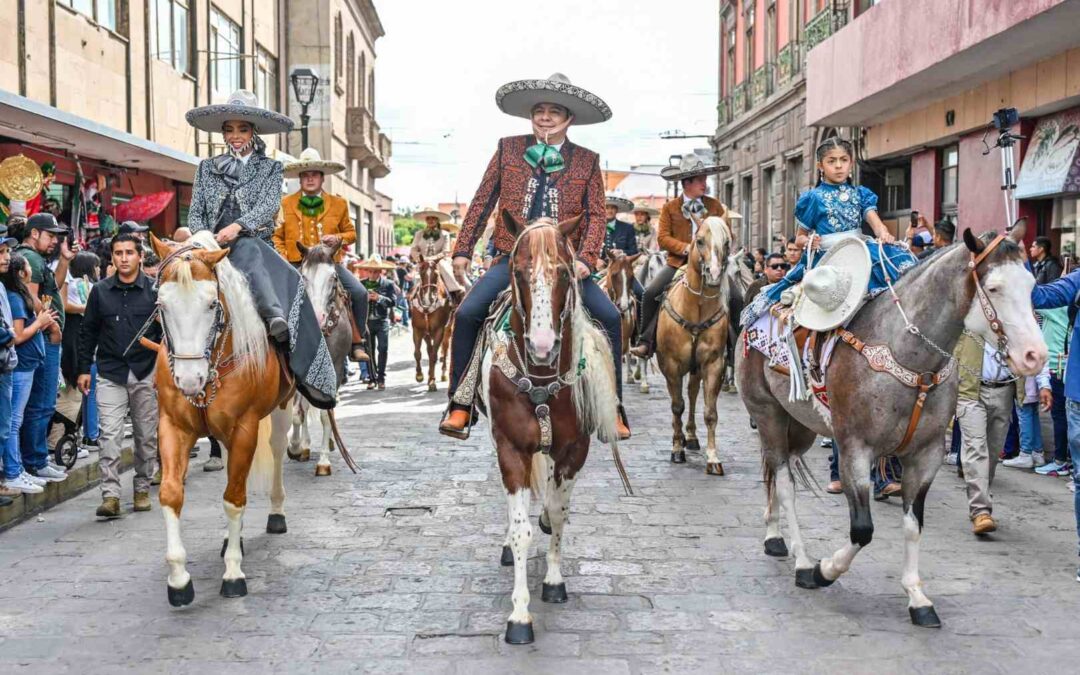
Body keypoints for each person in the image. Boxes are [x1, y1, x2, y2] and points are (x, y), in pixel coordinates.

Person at [438, 73, 630, 440]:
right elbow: (482, 200)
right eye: (539, 110)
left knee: (609, 317)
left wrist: (586, 260)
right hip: (514, 259)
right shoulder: (508, 149)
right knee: (467, 314)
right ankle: (460, 403)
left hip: (564, 265)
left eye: (554, 111)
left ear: (568, 119)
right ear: (531, 115)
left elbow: (594, 215)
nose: (545, 117)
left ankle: (614, 406)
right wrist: (463, 248)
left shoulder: (587, 161)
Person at [184, 89, 337, 409]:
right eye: (229, 129)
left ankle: (285, 332)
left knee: (294, 282)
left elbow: (268, 207)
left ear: (253, 132)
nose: (235, 136)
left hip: (254, 242)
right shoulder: (206, 168)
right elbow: (196, 212)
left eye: (242, 129)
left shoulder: (270, 168)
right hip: (210, 245)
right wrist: (204, 238)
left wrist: (238, 227)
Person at [740, 138, 917, 328]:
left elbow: (876, 223)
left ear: (851, 162)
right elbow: (799, 238)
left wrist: (884, 234)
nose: (839, 166)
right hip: (829, 256)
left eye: (844, 160)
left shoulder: (860, 194)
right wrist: (808, 241)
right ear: (820, 166)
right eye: (832, 161)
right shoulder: (813, 198)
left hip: (860, 250)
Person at [77, 234, 161, 518]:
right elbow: (87, 332)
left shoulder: (155, 291)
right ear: (111, 258)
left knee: (146, 436)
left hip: (146, 371)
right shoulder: (100, 291)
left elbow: (167, 335)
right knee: (109, 435)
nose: (124, 258)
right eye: (118, 253)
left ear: (139, 256)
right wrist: (82, 369)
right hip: (110, 371)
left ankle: (141, 489)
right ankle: (110, 495)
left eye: (129, 252)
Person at [629, 154, 734, 359]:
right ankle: (645, 342)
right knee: (650, 293)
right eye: (700, 180)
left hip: (712, 262)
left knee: (737, 296)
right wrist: (687, 249)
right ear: (687, 182)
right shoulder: (670, 208)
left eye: (705, 179)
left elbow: (727, 235)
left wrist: (722, 242)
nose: (705, 183)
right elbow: (663, 238)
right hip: (678, 262)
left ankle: (735, 347)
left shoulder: (715, 207)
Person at [275, 147, 370, 361]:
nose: (310, 179)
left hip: (329, 264)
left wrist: (338, 239)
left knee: (360, 293)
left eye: (314, 174)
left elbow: (351, 233)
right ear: (300, 178)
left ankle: (357, 342)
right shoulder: (285, 203)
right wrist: (283, 258)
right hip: (296, 265)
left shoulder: (339, 203)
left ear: (322, 178)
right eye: (305, 175)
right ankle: (274, 342)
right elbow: (276, 236)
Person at [15, 213, 72, 484]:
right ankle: (35, 461)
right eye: (50, 235)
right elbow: (31, 297)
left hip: (44, 339)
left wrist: (65, 259)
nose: (54, 241)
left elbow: (55, 287)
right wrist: (51, 327)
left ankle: (35, 460)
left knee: (42, 404)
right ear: (34, 233)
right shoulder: (31, 258)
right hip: (42, 339)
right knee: (41, 404)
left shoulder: (38, 260)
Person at [953, 329, 1020, 535]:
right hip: (971, 391)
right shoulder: (971, 314)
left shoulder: (1014, 317)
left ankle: (980, 498)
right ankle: (980, 510)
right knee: (975, 448)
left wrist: (1042, 384)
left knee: (992, 453)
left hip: (1005, 390)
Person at [2, 254, 56, 494]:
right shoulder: (14, 298)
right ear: (22, 272)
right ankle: (13, 471)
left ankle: (17, 468)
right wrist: (40, 322)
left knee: (16, 420)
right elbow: (18, 335)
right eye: (27, 266)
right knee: (13, 422)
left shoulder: (18, 294)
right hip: (20, 366)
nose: (32, 270)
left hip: (27, 365)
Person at [56, 251, 100, 454]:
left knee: (79, 397)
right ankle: (62, 443)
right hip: (72, 348)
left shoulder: (79, 284)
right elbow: (64, 305)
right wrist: (86, 307)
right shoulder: (72, 283)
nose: (99, 270)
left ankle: (73, 439)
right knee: (73, 396)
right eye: (96, 266)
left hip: (77, 347)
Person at [0, 231, 29, 498]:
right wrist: (8, 335)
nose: (7, 257)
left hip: (5, 365)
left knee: (5, 422)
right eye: (1, 253)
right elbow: (9, 331)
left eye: (7, 252)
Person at [356, 256, 398, 390]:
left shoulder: (388, 284)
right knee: (369, 350)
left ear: (380, 272)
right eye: (371, 271)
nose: (373, 274)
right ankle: (372, 378)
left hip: (382, 321)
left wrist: (379, 298)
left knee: (383, 348)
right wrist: (365, 300)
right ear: (367, 271)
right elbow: (354, 303)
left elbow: (393, 302)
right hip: (367, 322)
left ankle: (381, 378)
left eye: (376, 271)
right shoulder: (361, 284)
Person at [409, 208, 465, 303]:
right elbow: (413, 249)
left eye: (433, 218)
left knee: (444, 267)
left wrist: (432, 259)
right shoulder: (419, 234)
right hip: (422, 261)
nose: (430, 220)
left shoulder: (445, 234)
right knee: (415, 277)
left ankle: (455, 291)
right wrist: (421, 259)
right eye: (428, 218)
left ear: (437, 220)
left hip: (440, 261)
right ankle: (411, 298)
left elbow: (445, 251)